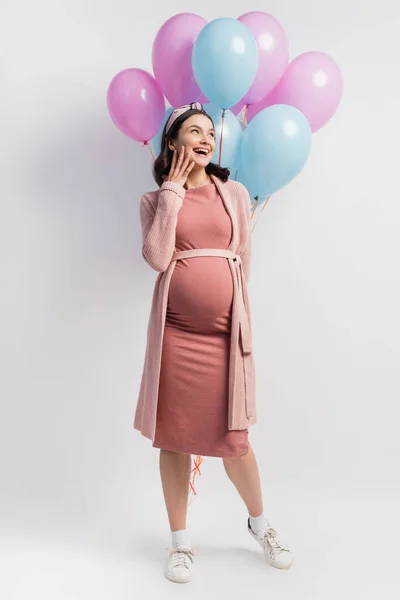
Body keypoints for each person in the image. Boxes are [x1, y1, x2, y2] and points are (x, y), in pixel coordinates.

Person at [134, 102, 293, 583]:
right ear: (172, 143)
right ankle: (181, 544)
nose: (205, 137)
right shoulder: (154, 200)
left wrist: (238, 318)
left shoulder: (236, 193)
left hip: (226, 337)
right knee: (175, 439)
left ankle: (260, 524)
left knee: (236, 441)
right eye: (193, 131)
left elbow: (243, 259)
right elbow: (158, 257)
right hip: (177, 339)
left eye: (209, 131)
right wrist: (172, 193)